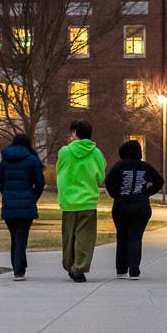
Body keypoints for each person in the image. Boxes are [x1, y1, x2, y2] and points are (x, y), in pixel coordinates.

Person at [104, 139, 163, 280]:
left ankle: (121, 270)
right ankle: (134, 271)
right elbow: (159, 181)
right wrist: (147, 193)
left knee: (122, 236)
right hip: (141, 205)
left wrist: (116, 194)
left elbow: (108, 182)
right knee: (136, 238)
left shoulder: (119, 166)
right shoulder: (146, 166)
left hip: (121, 205)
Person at [56, 119, 106, 282]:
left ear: (75, 132)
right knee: (85, 237)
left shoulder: (64, 151)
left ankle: (69, 264)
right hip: (88, 200)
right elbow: (100, 177)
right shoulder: (97, 153)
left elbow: (59, 171)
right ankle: (79, 267)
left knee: (69, 236)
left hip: (68, 201)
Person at [0, 133, 45, 281]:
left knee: (14, 237)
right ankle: (18, 270)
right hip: (26, 203)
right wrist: (33, 197)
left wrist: (7, 194)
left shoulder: (5, 160)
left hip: (9, 204)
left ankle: (19, 266)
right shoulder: (32, 160)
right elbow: (40, 183)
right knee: (21, 237)